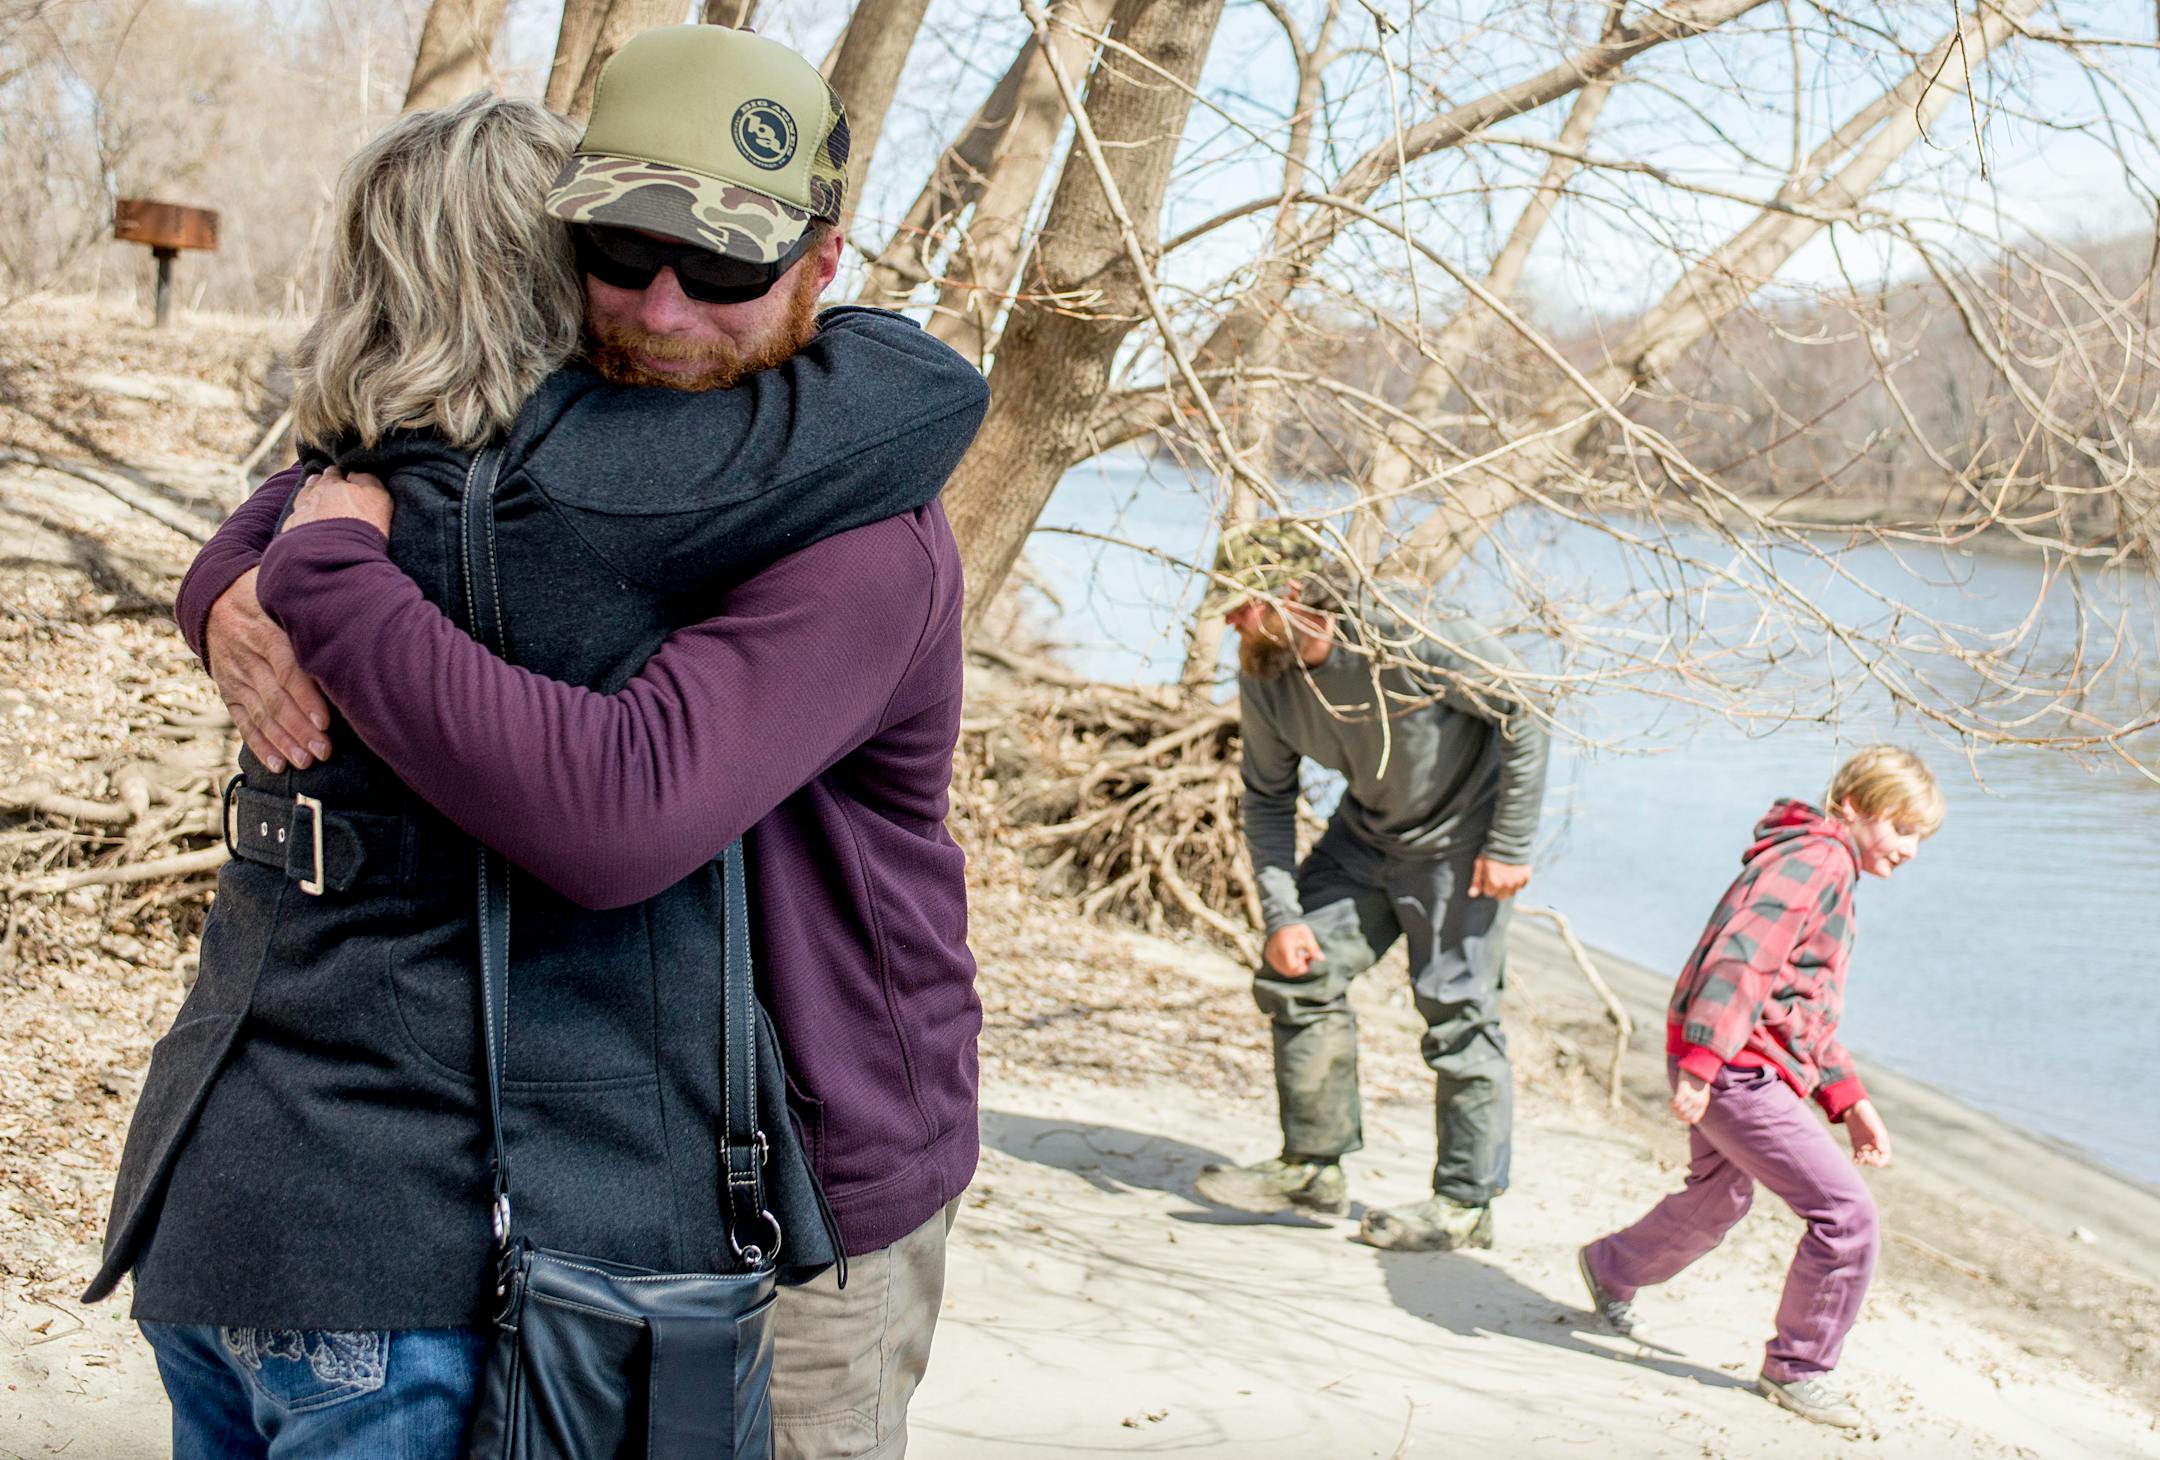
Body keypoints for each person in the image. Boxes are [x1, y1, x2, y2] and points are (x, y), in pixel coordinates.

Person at [93, 28, 984, 1460]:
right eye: (625, 256)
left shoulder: (852, 523)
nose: (671, 308)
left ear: (822, 264)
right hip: (616, 1160)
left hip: (823, 1160)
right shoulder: (574, 457)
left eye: (728, 271)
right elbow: (389, 456)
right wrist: (234, 572)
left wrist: (309, 575)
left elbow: (621, 811)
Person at [1192, 520, 1551, 1252]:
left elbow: (1526, 705)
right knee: (1298, 970)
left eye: (1243, 605)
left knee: (1458, 1015)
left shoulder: (1401, 632)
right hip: (1366, 841)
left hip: (1461, 847)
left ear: (1293, 594)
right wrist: (1281, 915)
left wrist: (1510, 844)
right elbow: (1265, 799)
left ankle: (1465, 1205)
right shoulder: (1263, 670)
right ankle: (1311, 1168)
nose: (1231, 622)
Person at [1576, 746, 1944, 1431]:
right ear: (1856, 806)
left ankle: (1612, 1267)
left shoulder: (1821, 859)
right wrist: (1704, 1062)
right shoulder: (1819, 860)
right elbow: (1740, 959)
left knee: (1718, 1198)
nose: (1912, 849)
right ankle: (1799, 1369)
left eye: (1922, 837)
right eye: (1903, 828)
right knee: (1847, 1218)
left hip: (1736, 1063)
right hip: (1739, 1071)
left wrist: (1849, 1099)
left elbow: (1801, 1002)